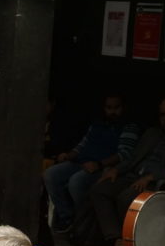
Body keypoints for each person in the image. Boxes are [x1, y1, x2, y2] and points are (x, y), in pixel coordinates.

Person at [87, 97, 165, 246]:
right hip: (134, 175)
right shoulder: (152, 133)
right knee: (99, 189)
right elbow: (133, 158)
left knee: (125, 198)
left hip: (155, 182)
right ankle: (115, 237)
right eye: (163, 115)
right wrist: (116, 169)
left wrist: (151, 177)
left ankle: (129, 242)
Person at [44, 94, 140, 234]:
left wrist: (99, 164)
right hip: (81, 162)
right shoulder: (98, 124)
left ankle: (82, 222)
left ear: (123, 108)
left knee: (76, 182)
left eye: (116, 107)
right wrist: (69, 155)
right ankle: (67, 217)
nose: (112, 111)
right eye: (109, 108)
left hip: (104, 168)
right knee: (51, 174)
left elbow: (124, 154)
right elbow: (83, 144)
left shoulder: (129, 127)